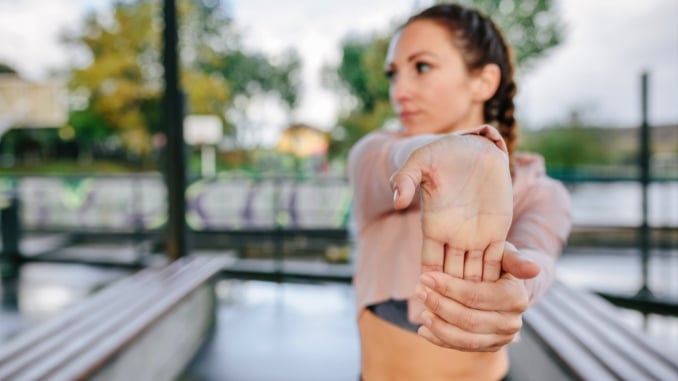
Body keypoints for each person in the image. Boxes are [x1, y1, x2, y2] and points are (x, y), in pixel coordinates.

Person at [347, 3, 572, 381]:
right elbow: (390, 159)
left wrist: (518, 287)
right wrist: (444, 154)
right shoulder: (378, 153)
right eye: (393, 74)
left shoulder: (540, 190)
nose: (399, 91)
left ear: (483, 81)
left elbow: (538, 256)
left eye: (421, 67)